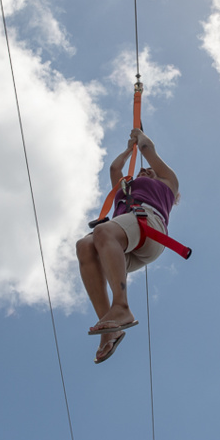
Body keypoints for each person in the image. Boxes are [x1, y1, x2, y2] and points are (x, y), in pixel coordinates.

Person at [76, 128, 179, 364]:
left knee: (102, 230)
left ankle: (121, 305)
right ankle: (110, 328)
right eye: (141, 169)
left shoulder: (168, 185)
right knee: (84, 245)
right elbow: (115, 169)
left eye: (148, 170)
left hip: (149, 228)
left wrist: (140, 138)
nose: (143, 169)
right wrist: (128, 149)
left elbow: (148, 150)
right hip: (122, 244)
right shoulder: (125, 188)